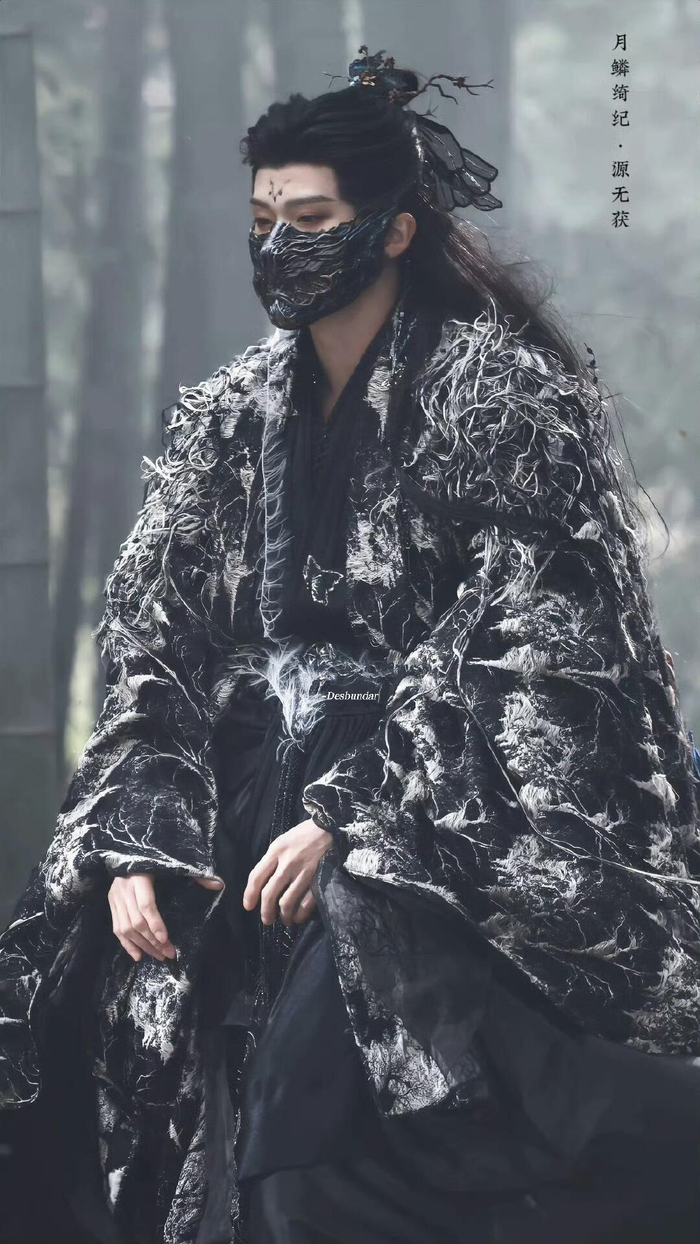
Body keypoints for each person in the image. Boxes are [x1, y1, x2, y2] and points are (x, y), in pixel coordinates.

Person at [1, 46, 700, 1244]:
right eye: (262, 221)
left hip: (428, 818)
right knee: (80, 1037)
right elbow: (156, 642)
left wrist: (356, 817)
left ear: (392, 229)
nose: (278, 246)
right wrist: (135, 837)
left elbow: (534, 645)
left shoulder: (503, 401)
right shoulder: (228, 416)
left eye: (310, 221)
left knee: (315, 1138)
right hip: (234, 790)